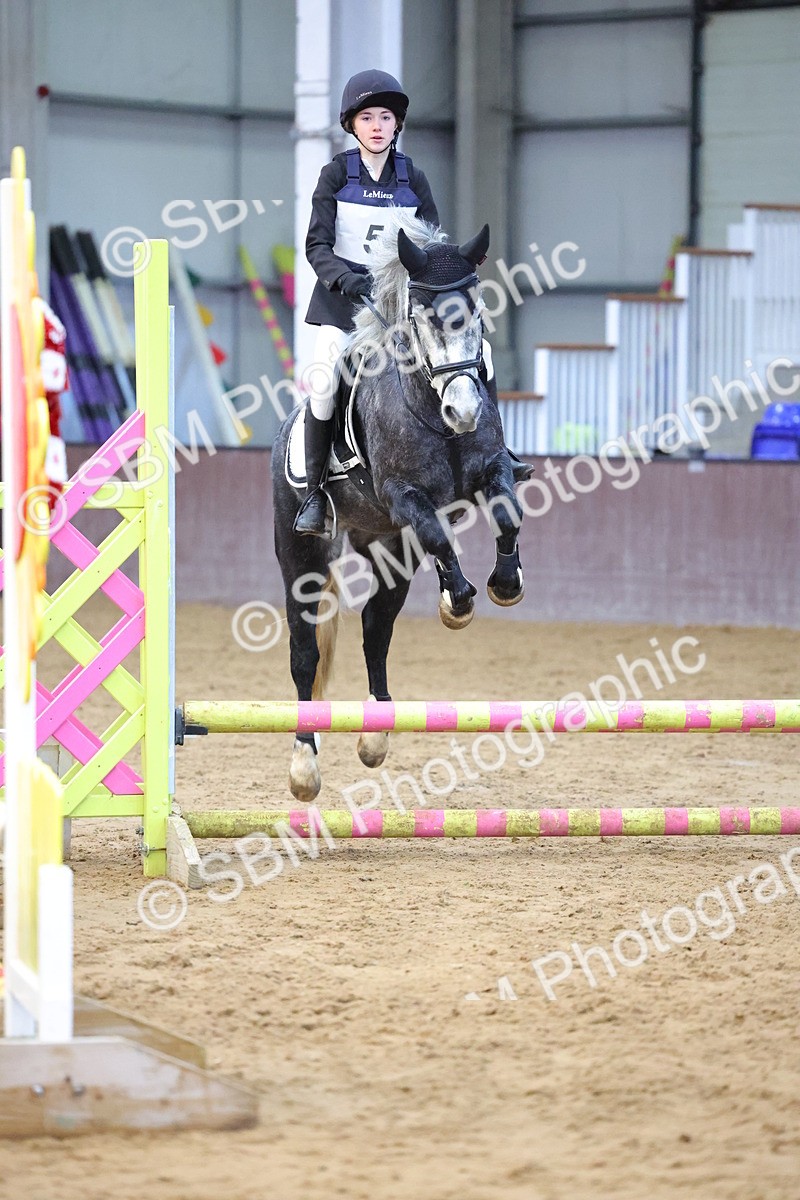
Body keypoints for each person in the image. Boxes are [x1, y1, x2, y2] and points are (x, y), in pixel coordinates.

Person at [296, 68, 527, 538]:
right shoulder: (336, 175)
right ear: (352, 125)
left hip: (399, 313)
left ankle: (500, 452)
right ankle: (315, 493)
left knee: (477, 353)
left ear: (396, 125)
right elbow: (316, 245)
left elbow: (431, 250)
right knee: (324, 382)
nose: (377, 125)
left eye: (385, 117)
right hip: (345, 308)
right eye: (367, 117)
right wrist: (345, 279)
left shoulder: (413, 179)